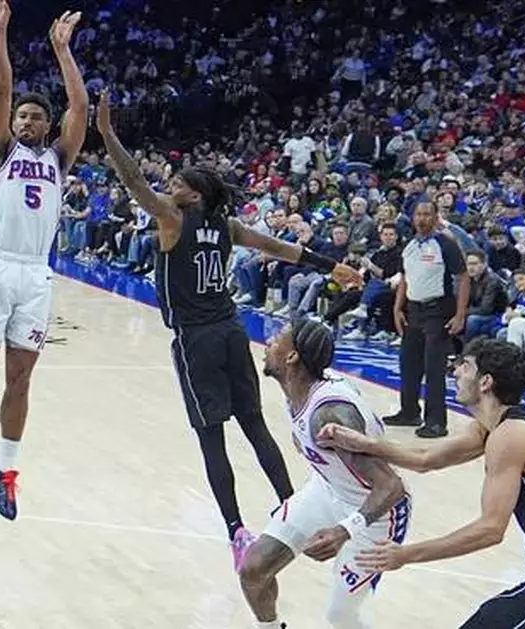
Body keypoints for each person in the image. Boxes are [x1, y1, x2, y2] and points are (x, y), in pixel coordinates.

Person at [93, 88, 364, 571]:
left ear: (191, 194)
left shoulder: (173, 218)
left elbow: (133, 178)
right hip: (232, 331)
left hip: (196, 339)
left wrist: (108, 133)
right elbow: (281, 248)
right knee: (255, 425)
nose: (168, 185)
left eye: (175, 181)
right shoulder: (228, 226)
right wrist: (332, 266)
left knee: (211, 438)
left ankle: (237, 530)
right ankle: (290, 506)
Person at [321, 339, 525, 628]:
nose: (456, 372)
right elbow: (425, 458)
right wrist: (363, 443)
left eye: (465, 366)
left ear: (486, 382)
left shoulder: (512, 435)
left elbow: (490, 530)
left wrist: (405, 554)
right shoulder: (494, 427)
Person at [0, 0, 88, 521]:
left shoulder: (58, 157)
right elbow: (1, 89)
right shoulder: (1, 152)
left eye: (36, 117)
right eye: (22, 116)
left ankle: (6, 473)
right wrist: (0, 31)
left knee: (21, 378)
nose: (27, 121)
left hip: (36, 273)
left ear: (46, 126)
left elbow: (78, 109)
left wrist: (62, 49)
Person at [240, 319, 410, 629]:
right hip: (329, 490)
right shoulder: (301, 383)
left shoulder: (329, 414)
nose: (269, 343)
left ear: (292, 358)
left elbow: (390, 485)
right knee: (254, 568)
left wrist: (344, 530)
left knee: (340, 616)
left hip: (376, 511)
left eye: (278, 339)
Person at [384, 201, 470, 439]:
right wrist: (397, 307)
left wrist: (460, 314)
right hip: (413, 310)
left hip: (438, 310)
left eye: (427, 214)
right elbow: (405, 278)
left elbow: (463, 278)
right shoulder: (409, 246)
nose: (422, 218)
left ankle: (436, 422)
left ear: (435, 217)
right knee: (408, 364)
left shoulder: (445, 244)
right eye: (418, 214)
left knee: (433, 367)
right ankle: (409, 411)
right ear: (412, 218)